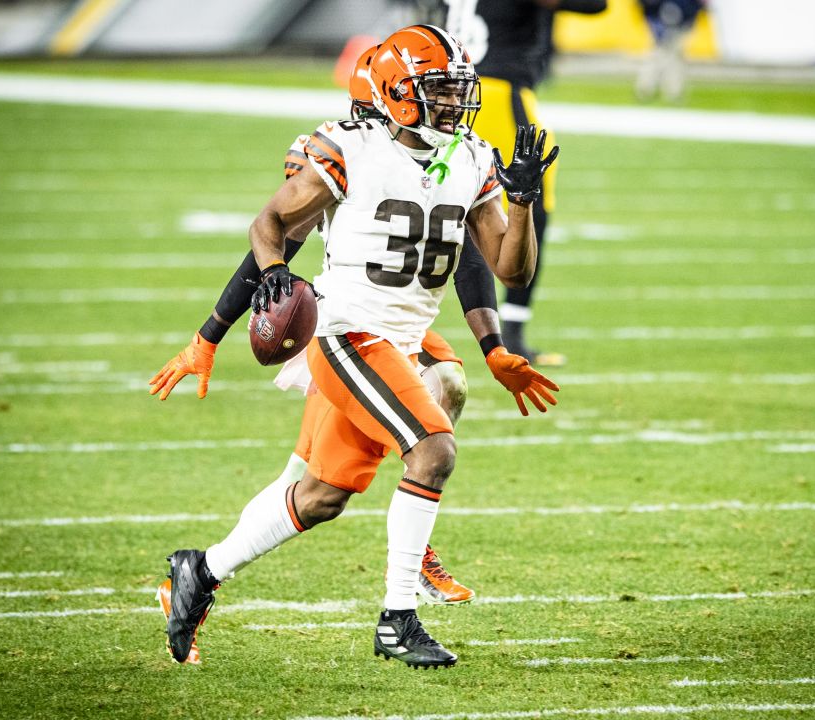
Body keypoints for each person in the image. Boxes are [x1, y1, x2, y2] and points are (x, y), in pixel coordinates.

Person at [158, 25, 559, 669]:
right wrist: (266, 282)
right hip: (346, 330)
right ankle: (399, 617)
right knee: (432, 450)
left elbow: (510, 270)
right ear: (398, 94)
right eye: (440, 91)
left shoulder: (472, 156)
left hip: (403, 335)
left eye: (459, 91)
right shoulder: (349, 147)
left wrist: (524, 201)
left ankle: (199, 571)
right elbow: (270, 224)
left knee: (321, 496)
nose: (457, 104)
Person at [444, 0, 607, 366]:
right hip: (498, 91)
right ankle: (513, 331)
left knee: (461, 205)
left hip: (455, 91)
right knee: (529, 199)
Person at [635, 0, 704, 103]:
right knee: (664, 55)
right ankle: (652, 89)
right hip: (667, 14)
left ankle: (650, 89)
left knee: (668, 55)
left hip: (676, 14)